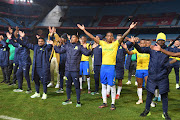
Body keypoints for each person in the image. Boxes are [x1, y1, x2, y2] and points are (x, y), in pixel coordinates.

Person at [77, 22, 137, 110]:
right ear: (106, 37)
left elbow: (123, 36)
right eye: (108, 36)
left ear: (113, 37)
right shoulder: (102, 43)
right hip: (103, 67)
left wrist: (130, 28)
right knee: (104, 85)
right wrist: (84, 30)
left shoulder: (116, 44)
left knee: (112, 85)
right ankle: (104, 102)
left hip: (111, 68)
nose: (109, 37)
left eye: (111, 36)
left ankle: (113, 103)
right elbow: (93, 37)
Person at [129, 32, 178, 120]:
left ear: (165, 41)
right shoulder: (151, 49)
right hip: (151, 76)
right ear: (156, 40)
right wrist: (134, 43)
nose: (161, 42)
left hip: (163, 77)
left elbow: (177, 54)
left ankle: (165, 113)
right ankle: (147, 111)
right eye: (159, 40)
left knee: (164, 96)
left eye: (163, 40)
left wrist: (162, 51)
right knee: (149, 94)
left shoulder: (168, 49)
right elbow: (140, 50)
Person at [48, 34, 93, 107]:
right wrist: (54, 44)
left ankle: (78, 101)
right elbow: (58, 50)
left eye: (74, 37)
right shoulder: (67, 46)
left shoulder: (79, 47)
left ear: (77, 39)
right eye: (71, 37)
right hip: (67, 70)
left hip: (75, 70)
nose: (72, 39)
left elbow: (87, 53)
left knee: (76, 86)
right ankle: (68, 99)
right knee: (68, 85)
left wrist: (91, 49)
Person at [15, 31, 52, 99]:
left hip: (43, 67)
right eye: (39, 41)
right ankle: (37, 93)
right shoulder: (35, 47)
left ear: (44, 42)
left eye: (41, 41)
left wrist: (51, 36)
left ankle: (44, 93)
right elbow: (25, 44)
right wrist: (20, 38)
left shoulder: (46, 47)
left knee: (44, 81)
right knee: (36, 80)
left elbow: (50, 44)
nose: (40, 42)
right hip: (36, 67)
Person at [122, 39, 150, 104]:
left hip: (147, 69)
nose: (142, 44)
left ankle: (150, 100)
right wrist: (126, 49)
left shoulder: (149, 50)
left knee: (148, 85)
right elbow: (129, 53)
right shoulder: (137, 50)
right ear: (139, 44)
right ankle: (140, 99)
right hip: (139, 69)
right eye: (141, 43)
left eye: (143, 43)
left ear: (146, 44)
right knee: (139, 85)